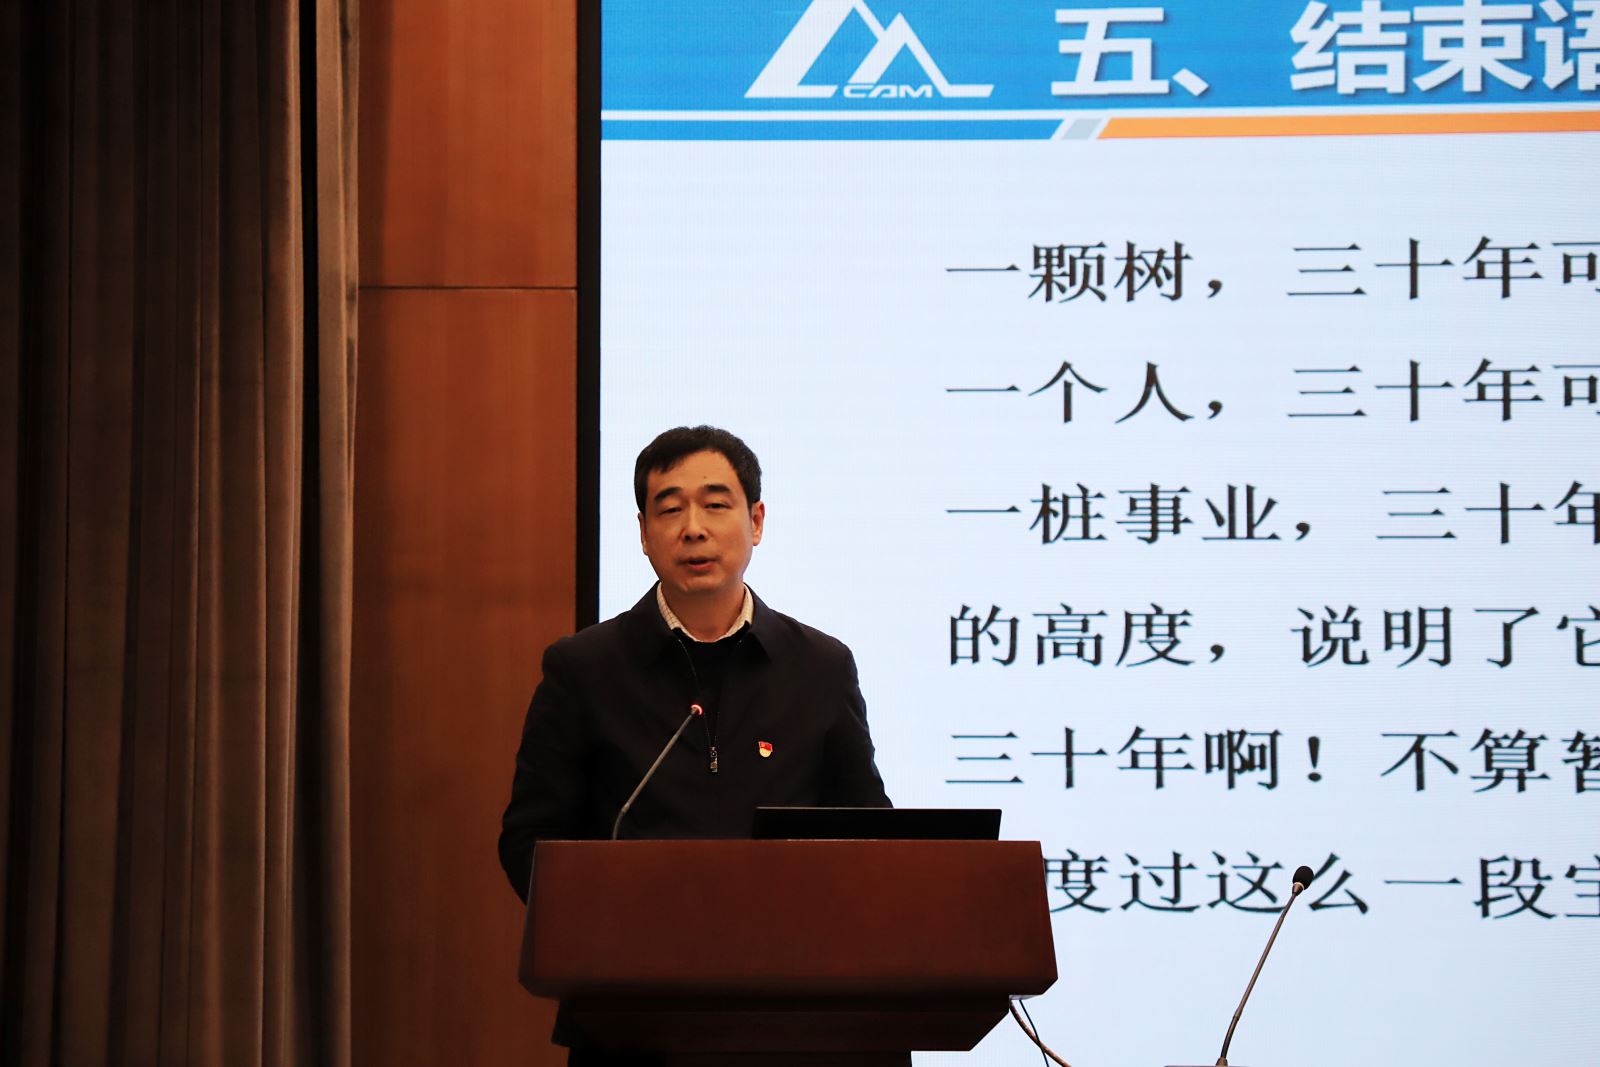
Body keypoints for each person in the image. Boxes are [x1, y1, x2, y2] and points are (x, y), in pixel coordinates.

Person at [498, 421, 893, 888]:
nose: (693, 529)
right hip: (633, 931)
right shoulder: (583, 670)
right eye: (670, 510)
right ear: (644, 534)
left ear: (756, 521)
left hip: (783, 930)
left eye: (715, 506)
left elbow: (871, 835)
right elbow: (530, 842)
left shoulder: (820, 667)